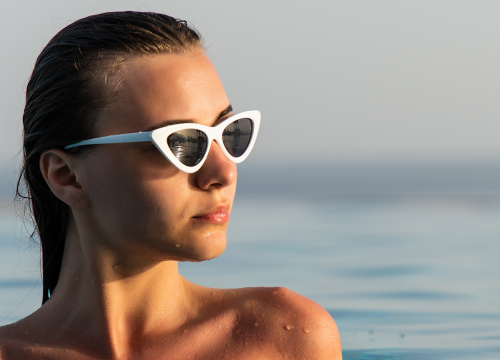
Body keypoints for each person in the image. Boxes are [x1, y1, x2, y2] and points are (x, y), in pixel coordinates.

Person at [0, 11, 341, 359]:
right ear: (66, 176)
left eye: (229, 133)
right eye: (182, 143)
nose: (224, 172)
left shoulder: (284, 337)